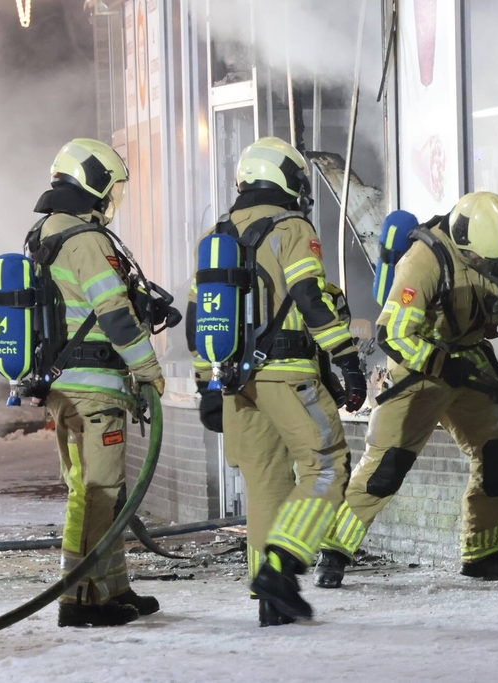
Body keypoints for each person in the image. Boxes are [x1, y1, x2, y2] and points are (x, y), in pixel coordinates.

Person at [315, 191, 498, 587]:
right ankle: (334, 551)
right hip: (419, 367)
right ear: (462, 239)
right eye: (478, 259)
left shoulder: (490, 252)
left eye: (491, 261)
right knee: (386, 465)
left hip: (469, 363)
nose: (485, 265)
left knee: (496, 451)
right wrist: (444, 366)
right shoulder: (424, 260)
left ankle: (484, 553)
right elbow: (394, 333)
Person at [187, 137, 366, 626]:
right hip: (287, 375)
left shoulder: (215, 236)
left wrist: (206, 384)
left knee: (265, 483)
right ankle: (281, 570)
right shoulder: (292, 228)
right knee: (326, 467)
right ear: (284, 177)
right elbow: (309, 298)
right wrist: (347, 358)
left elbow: (197, 319)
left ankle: (271, 602)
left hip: (234, 382)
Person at [30, 139, 165, 627]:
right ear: (93, 183)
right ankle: (81, 598)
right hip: (94, 389)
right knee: (98, 492)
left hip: (67, 386)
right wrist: (148, 369)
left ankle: (111, 589)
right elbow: (114, 315)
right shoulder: (85, 239)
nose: (114, 198)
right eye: (112, 187)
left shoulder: (47, 231)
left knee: (97, 491)